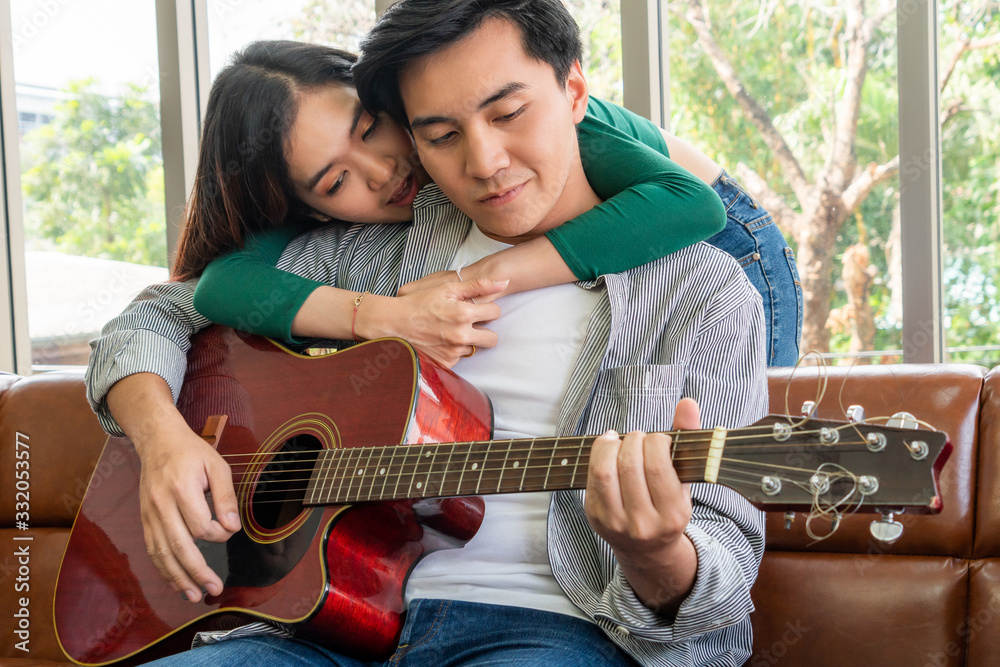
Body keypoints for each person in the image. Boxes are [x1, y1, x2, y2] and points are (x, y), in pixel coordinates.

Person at [87, 1, 767, 665]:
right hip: (318, 625)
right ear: (413, 136)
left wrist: (657, 555)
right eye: (440, 136)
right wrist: (163, 439)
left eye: (509, 113)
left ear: (575, 90)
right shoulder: (381, 252)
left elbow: (723, 586)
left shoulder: (702, 294)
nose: (486, 161)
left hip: (550, 631)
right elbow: (164, 311)